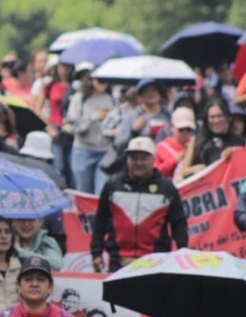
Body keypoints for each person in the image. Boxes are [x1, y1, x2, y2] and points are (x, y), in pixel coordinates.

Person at [92, 137, 188, 273]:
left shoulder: (166, 187)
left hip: (156, 264)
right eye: (134, 158)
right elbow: (100, 221)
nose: (138, 163)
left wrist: (182, 253)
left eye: (143, 158)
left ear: (153, 159)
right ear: (127, 160)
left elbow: (179, 224)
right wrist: (96, 252)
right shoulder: (113, 184)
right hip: (119, 263)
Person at [64, 65, 115, 194]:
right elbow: (72, 125)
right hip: (83, 150)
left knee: (101, 191)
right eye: (99, 80)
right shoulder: (79, 99)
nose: (103, 83)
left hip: (105, 151)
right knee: (83, 191)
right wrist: (94, 117)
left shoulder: (111, 99)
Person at [180, 98, 246, 179]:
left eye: (219, 116)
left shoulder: (241, 141)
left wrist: (236, 152)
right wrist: (195, 169)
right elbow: (184, 171)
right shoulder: (196, 140)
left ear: (227, 117)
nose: (216, 121)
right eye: (212, 117)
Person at [156, 107, 195, 178]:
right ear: (172, 127)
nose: (185, 133)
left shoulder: (195, 145)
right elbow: (156, 172)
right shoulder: (161, 148)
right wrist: (174, 160)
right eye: (181, 129)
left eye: (188, 129)